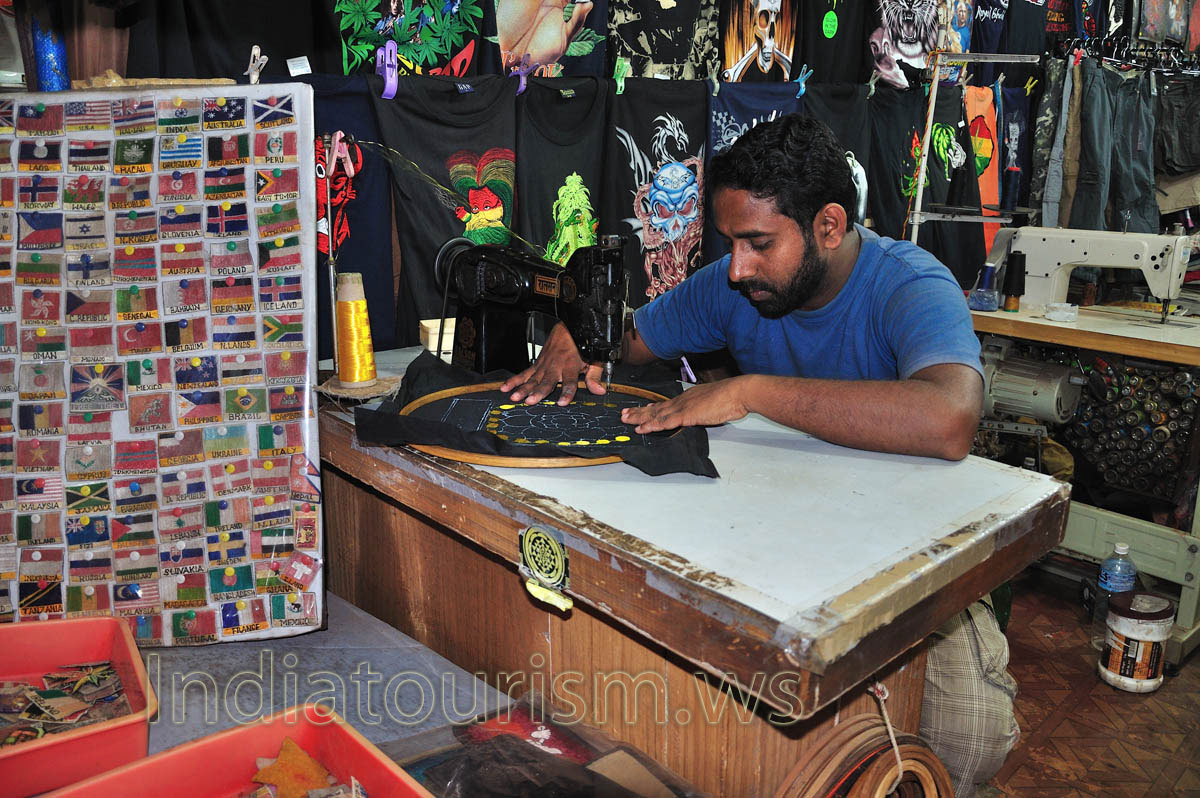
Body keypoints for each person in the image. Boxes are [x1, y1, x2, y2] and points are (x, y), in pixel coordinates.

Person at [500, 113, 1018, 797]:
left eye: (757, 243)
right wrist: (580, 334)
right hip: (774, 542)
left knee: (965, 742)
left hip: (898, 557)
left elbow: (949, 417)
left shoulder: (911, 286)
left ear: (828, 226)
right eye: (730, 243)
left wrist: (751, 392)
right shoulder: (735, 286)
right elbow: (630, 341)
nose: (737, 268)